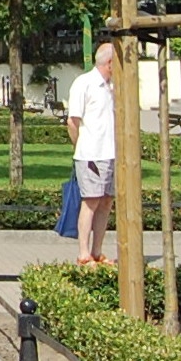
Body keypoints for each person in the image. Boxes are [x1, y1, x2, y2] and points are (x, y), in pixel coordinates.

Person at [66, 43, 116, 268]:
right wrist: (81, 147)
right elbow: (72, 121)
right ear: (110, 63)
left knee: (106, 202)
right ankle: (83, 252)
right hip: (91, 154)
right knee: (91, 201)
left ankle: (97, 250)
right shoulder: (84, 83)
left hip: (111, 153)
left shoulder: (113, 86)